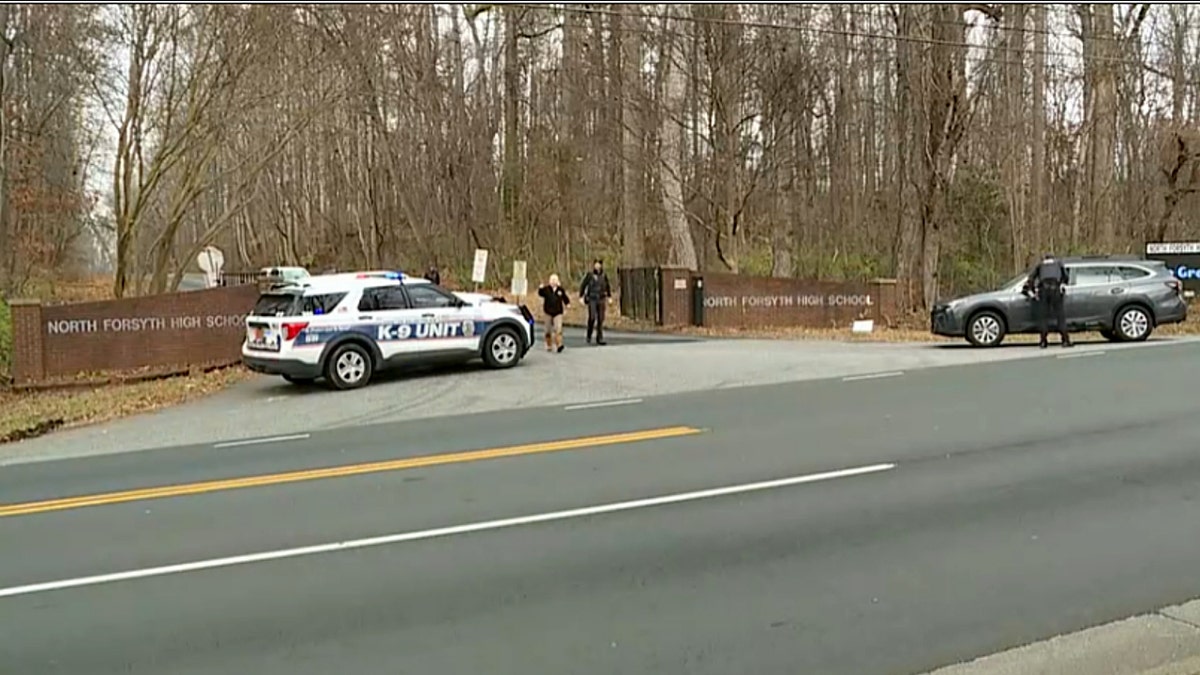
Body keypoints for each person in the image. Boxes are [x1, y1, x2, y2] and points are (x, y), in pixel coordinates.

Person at [1024, 252, 1071, 348]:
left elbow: (1031, 278)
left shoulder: (1040, 265)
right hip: (1055, 289)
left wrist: (1031, 291)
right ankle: (1065, 340)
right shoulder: (1059, 263)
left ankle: (1043, 341)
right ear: (1053, 258)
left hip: (1043, 291)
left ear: (1045, 258)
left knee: (1043, 317)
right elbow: (1066, 276)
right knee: (1060, 316)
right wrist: (1063, 284)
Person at [579, 258, 612, 345]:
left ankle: (599, 338)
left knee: (601, 319)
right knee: (592, 317)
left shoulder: (604, 275)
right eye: (596, 264)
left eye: (599, 264)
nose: (597, 266)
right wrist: (581, 296)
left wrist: (609, 296)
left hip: (601, 298)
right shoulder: (590, 275)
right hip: (592, 298)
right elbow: (583, 285)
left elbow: (608, 286)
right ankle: (589, 335)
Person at [537, 273, 570, 353]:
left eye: (555, 280)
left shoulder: (560, 290)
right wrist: (540, 288)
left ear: (558, 281)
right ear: (549, 281)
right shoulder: (546, 289)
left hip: (558, 312)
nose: (553, 281)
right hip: (548, 312)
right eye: (552, 280)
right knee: (548, 330)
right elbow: (540, 294)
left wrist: (567, 304)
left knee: (558, 329)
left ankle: (559, 345)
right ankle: (549, 345)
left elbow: (565, 298)